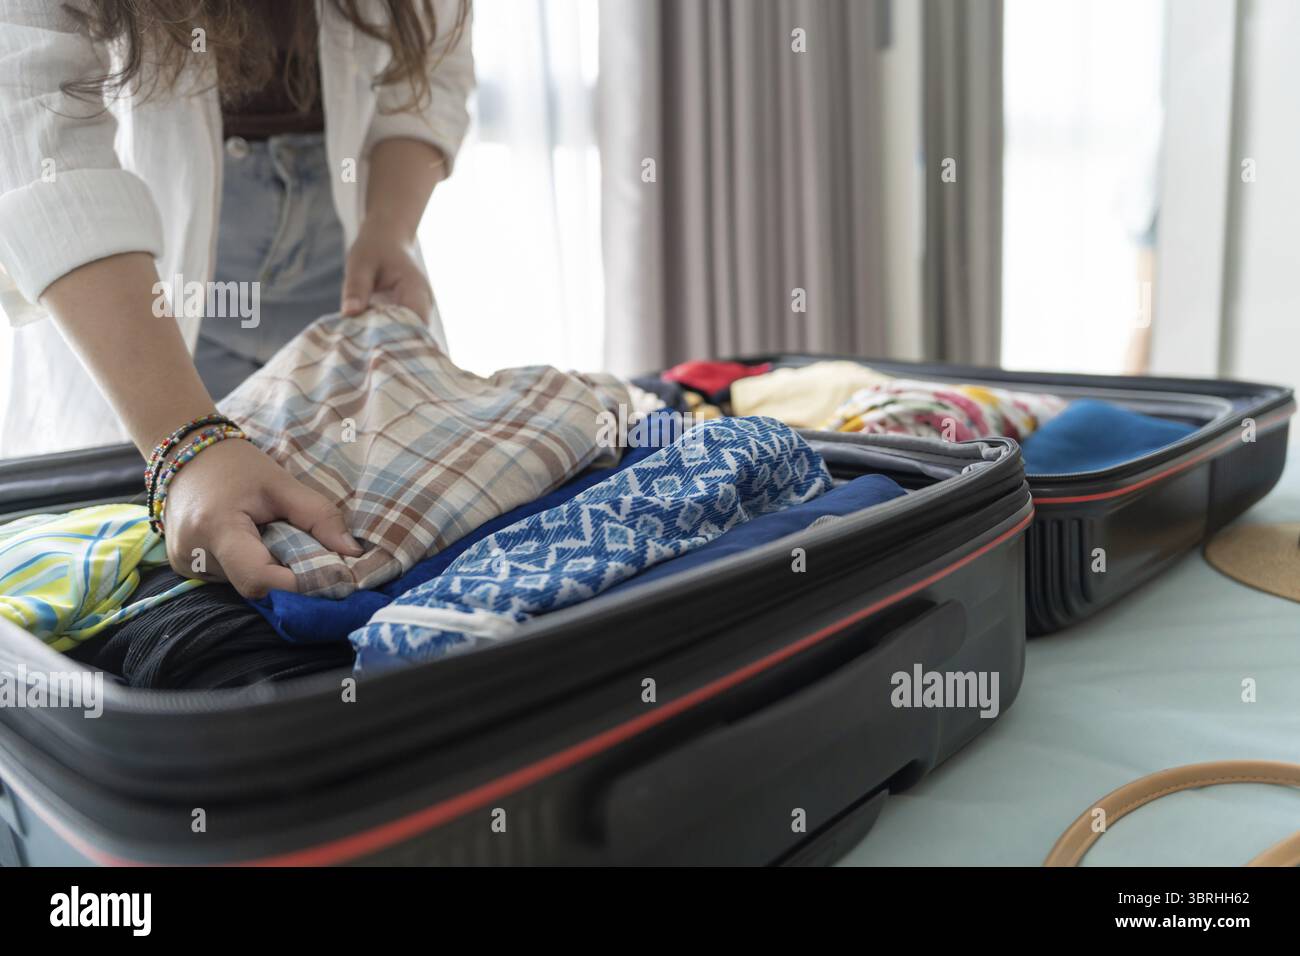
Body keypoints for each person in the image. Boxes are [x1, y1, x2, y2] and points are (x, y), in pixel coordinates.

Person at [0, 0, 474, 597]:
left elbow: (433, 60)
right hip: (134, 282)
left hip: (345, 227)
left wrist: (391, 226)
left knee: (385, 550)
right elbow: (29, 112)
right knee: (174, 566)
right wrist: (186, 443)